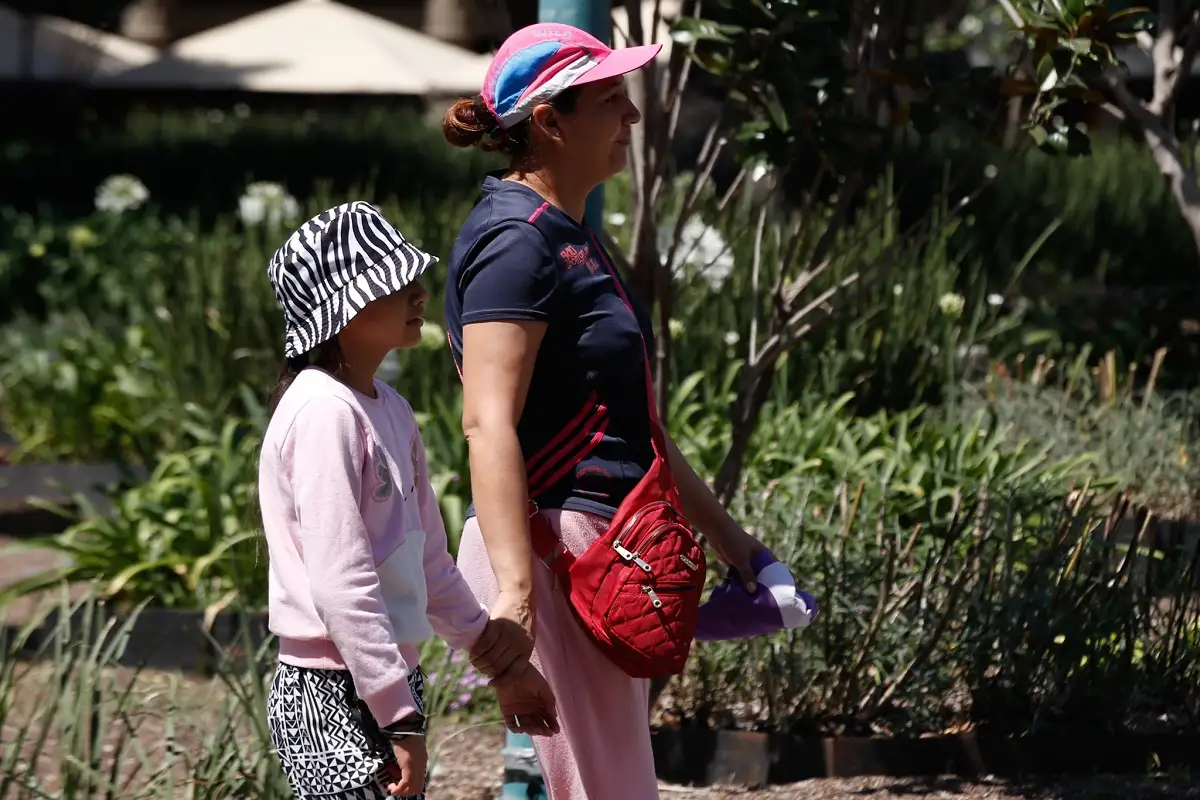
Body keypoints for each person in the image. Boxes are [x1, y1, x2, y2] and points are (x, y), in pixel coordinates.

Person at [441, 24, 768, 799]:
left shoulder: (569, 236)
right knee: (607, 789)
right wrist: (515, 594)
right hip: (563, 552)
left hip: (602, 547)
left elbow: (634, 424)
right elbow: (486, 422)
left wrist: (734, 545)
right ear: (551, 122)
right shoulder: (516, 244)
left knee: (608, 784)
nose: (632, 117)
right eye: (612, 100)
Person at [257, 202, 557, 800]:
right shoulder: (323, 413)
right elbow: (341, 583)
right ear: (342, 311)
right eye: (395, 285)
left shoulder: (387, 408)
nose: (419, 294)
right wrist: (399, 718)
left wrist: (496, 658)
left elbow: (426, 563)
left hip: (383, 679)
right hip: (328, 689)